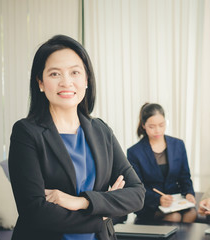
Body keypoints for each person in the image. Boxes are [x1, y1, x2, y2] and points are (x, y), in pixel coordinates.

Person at [8, 35, 145, 240]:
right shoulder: (26, 133)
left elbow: (137, 193)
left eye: (75, 72)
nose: (66, 82)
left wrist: (82, 202)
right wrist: (104, 214)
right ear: (41, 83)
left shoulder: (101, 131)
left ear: (86, 79)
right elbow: (35, 211)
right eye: (55, 74)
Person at [127, 103, 197, 223]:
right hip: (149, 205)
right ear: (144, 125)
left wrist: (189, 193)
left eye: (161, 125)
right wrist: (158, 199)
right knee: (174, 217)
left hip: (175, 201)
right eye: (152, 127)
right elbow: (137, 186)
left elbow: (185, 177)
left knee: (191, 214)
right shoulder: (134, 152)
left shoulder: (178, 145)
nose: (158, 130)